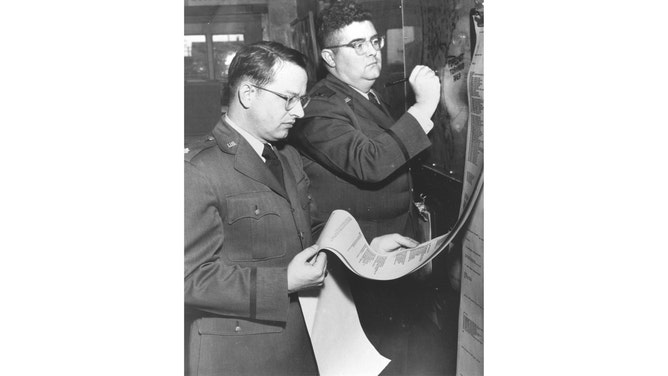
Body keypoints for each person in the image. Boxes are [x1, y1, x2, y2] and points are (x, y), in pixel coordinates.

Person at [185, 41, 419, 376]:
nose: (299, 112)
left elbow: (305, 236)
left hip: (300, 346)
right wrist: (282, 282)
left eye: (301, 99)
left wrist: (366, 249)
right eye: (288, 99)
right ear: (248, 94)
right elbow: (188, 278)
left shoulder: (286, 157)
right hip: (238, 357)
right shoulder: (198, 170)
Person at [288, 1, 452, 374]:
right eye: (357, 45)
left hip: (389, 255)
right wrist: (424, 107)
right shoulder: (319, 108)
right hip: (358, 267)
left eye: (374, 40)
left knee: (402, 352)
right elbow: (371, 161)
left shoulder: (369, 97)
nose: (372, 51)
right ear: (329, 57)